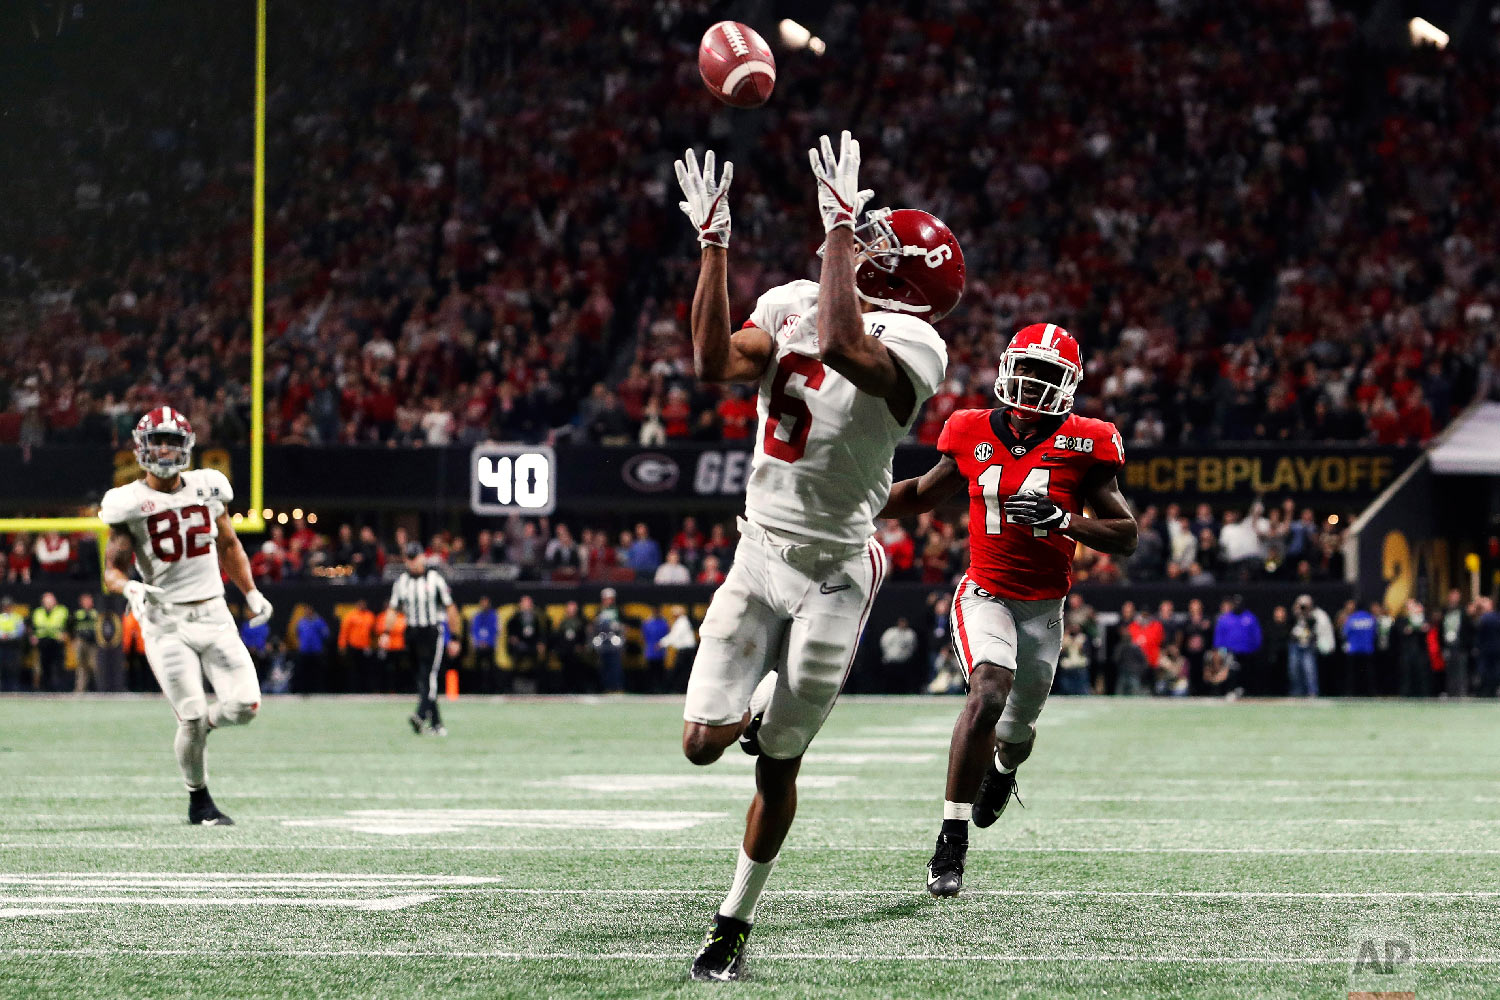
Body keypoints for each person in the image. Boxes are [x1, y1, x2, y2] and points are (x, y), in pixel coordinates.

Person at [673, 132, 963, 979]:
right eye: (858, 233)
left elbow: (843, 345)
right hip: (759, 548)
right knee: (699, 743)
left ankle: (734, 919)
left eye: (876, 242)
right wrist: (715, 247)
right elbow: (712, 360)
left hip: (838, 569)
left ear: (903, 279)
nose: (857, 239)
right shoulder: (794, 297)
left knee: (780, 762)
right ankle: (759, 701)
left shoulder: (921, 348)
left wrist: (840, 228)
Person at [878, 321, 1136, 898]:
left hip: (1043, 606)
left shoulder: (1086, 440)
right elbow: (922, 493)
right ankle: (951, 842)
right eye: (1025, 368)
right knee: (987, 691)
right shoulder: (969, 428)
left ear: (1067, 383)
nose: (1030, 382)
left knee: (1016, 732)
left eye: (1045, 373)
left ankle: (1004, 770)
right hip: (984, 591)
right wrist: (853, 502)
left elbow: (1126, 534)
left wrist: (1064, 520)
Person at [99, 406, 272, 825]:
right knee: (189, 714)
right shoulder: (129, 502)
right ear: (142, 447)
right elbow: (112, 570)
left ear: (187, 447)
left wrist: (249, 592)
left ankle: (205, 727)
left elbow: (229, 545)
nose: (164, 449)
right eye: (157, 440)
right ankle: (200, 802)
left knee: (246, 705)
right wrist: (129, 586)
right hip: (165, 620)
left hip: (213, 611)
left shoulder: (208, 488)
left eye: (173, 441)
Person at [388, 542, 460, 734]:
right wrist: (386, 634)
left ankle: (420, 715)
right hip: (412, 632)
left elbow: (451, 608)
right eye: (408, 558)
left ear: (422, 557)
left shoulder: (435, 579)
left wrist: (455, 637)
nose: (412, 562)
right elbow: (393, 609)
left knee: (430, 675)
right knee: (422, 679)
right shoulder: (402, 582)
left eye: (415, 557)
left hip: (432, 632)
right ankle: (436, 723)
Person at [1213, 596, 1263, 692]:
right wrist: (1219, 651)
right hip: (1229, 653)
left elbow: (1257, 636)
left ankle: (1246, 692)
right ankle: (1229, 691)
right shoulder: (1225, 619)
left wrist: (1255, 650)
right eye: (1235, 603)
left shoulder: (1250, 618)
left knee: (1247, 676)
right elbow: (1219, 637)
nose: (1237, 605)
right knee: (1230, 672)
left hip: (1248, 654)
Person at [506, 595, 549, 694]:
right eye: (525, 603)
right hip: (519, 645)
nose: (527, 605)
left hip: (533, 645)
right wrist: (513, 638)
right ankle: (512, 688)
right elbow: (511, 631)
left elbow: (541, 633)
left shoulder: (537, 617)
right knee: (517, 658)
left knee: (540, 660)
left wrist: (541, 643)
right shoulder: (515, 617)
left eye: (529, 603)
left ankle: (539, 688)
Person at [30, 592, 69, 691]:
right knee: (43, 667)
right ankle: (44, 689)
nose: (48, 603)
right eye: (46, 601)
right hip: (43, 642)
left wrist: (66, 634)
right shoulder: (38, 611)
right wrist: (32, 636)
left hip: (57, 642)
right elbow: (31, 626)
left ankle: (59, 689)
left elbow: (70, 624)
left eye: (50, 601)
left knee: (58, 666)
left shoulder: (62, 611)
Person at [337, 599, 377, 693]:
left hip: (366, 647)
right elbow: (344, 631)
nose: (362, 606)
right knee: (353, 669)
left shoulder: (370, 616)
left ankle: (366, 690)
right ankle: (354, 690)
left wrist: (374, 645)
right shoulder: (351, 615)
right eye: (360, 604)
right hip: (353, 647)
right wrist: (342, 645)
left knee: (366, 670)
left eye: (363, 604)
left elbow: (374, 632)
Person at [590, 588, 625, 693]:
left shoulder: (618, 610)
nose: (609, 601)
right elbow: (594, 626)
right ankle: (607, 688)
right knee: (604, 667)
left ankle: (617, 687)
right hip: (603, 643)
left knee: (616, 666)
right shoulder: (599, 610)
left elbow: (623, 626)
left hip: (615, 643)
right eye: (607, 599)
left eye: (611, 599)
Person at [554, 600, 593, 692]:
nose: (571, 610)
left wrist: (581, 646)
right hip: (565, 651)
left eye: (573, 608)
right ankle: (566, 688)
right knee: (566, 663)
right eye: (570, 608)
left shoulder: (582, 621)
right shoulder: (562, 622)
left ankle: (578, 688)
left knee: (578, 663)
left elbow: (585, 636)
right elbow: (558, 637)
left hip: (578, 651)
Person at [1341, 602, 1378, 696]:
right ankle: (1370, 693)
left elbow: (1345, 633)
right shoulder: (1371, 618)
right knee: (1369, 674)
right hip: (1367, 650)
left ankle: (1351, 693)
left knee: (1352, 675)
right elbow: (1375, 633)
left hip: (1353, 650)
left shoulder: (1351, 618)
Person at [878, 617, 921, 693]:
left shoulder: (910, 633)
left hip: (905, 662)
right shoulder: (890, 632)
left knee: (904, 680)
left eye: (904, 622)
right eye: (901, 622)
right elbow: (883, 644)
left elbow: (913, 646)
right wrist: (889, 655)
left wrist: (907, 656)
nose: (903, 624)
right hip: (891, 661)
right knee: (890, 680)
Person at [661, 605, 698, 693]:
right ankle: (680, 688)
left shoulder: (681, 622)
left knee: (679, 669)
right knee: (685, 670)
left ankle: (675, 689)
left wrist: (661, 643)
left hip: (685, 651)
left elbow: (674, 636)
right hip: (686, 651)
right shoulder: (681, 622)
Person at [70, 592, 102, 693]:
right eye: (85, 601)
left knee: (94, 665)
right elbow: (71, 627)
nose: (87, 603)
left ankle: (99, 688)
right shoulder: (77, 614)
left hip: (93, 643)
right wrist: (73, 639)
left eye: (89, 600)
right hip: (81, 641)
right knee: (81, 666)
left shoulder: (96, 613)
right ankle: (80, 689)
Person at [294, 609, 331, 695]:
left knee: (316, 673)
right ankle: (303, 691)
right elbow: (298, 634)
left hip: (316, 651)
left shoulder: (319, 622)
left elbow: (326, 634)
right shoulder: (301, 622)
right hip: (304, 651)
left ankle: (317, 690)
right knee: (303, 673)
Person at [467, 596, 499, 694]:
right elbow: (474, 631)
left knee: (492, 666)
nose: (484, 605)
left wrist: (487, 642)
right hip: (479, 646)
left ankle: (492, 689)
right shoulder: (476, 616)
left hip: (490, 646)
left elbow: (495, 631)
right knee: (477, 665)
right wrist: (479, 642)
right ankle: (477, 688)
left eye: (486, 603)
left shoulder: (494, 616)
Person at [1474, 598, 1500, 697]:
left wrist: (1477, 646)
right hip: (1496, 649)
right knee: (1495, 671)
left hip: (1486, 649)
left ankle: (1486, 691)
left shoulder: (1485, 618)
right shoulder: (1496, 617)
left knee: (1485, 671)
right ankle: (1493, 690)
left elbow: (1479, 635)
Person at [641, 606, 670, 693]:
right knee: (651, 671)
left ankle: (659, 688)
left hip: (659, 651)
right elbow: (645, 636)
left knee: (659, 671)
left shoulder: (663, 623)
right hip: (651, 651)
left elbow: (666, 635)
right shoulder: (648, 623)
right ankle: (651, 688)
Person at [0, 597, 26, 691]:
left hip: (13, 646)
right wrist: (2, 635)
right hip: (1, 646)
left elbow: (20, 631)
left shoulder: (17, 618)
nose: (7, 607)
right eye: (5, 606)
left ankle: (13, 687)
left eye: (8, 606)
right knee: (2, 667)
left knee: (13, 667)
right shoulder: (0, 617)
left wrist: (10, 636)